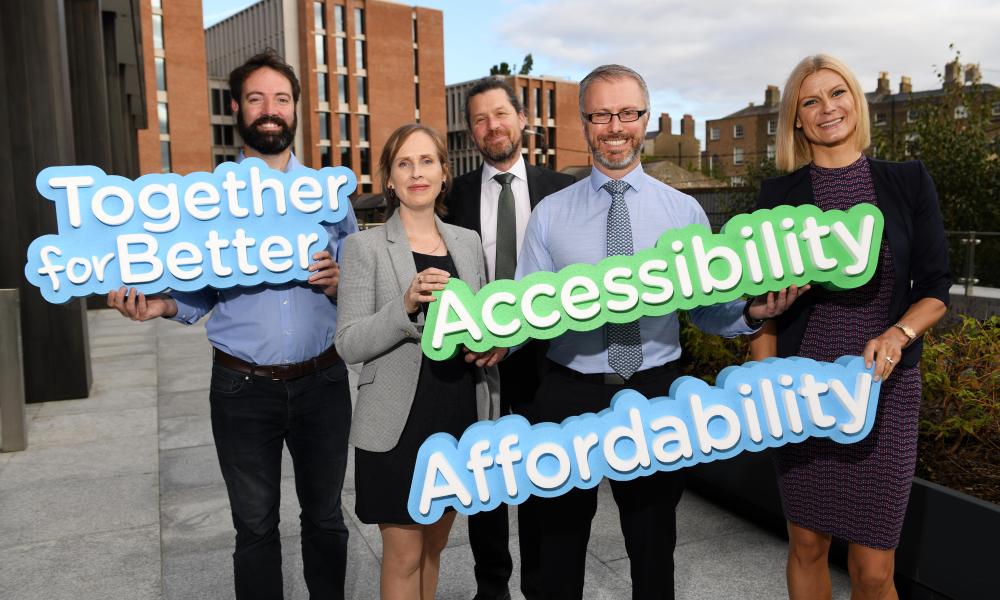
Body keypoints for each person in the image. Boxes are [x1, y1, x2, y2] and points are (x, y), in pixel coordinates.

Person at [515, 64, 806, 600]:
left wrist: (753, 314)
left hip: (652, 391)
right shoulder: (549, 215)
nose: (615, 126)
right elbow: (524, 311)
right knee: (557, 545)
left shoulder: (685, 212)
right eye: (601, 114)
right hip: (568, 392)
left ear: (645, 120)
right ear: (584, 123)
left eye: (627, 113)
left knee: (653, 548)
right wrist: (491, 337)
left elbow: (707, 310)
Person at [107, 50, 358, 600]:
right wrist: (163, 305)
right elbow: (197, 289)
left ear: (296, 111)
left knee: (326, 518)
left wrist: (344, 281)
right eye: (256, 98)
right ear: (238, 110)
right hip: (242, 389)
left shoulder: (329, 196)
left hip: (323, 383)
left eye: (282, 99)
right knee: (254, 528)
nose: (270, 110)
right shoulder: (209, 201)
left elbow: (362, 287)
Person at [749, 54, 950, 600]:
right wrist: (763, 389)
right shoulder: (778, 198)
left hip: (884, 391)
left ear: (855, 102)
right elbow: (763, 312)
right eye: (810, 101)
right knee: (808, 546)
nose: (826, 108)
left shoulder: (907, 182)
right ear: (796, 119)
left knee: (873, 569)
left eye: (837, 93)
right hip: (801, 394)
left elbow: (936, 287)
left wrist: (898, 334)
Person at [335, 123, 502, 600]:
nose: (416, 173)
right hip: (396, 423)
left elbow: (479, 320)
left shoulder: (466, 242)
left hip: (458, 414)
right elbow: (347, 342)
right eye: (403, 164)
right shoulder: (364, 248)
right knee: (404, 554)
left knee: (436, 546)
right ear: (389, 179)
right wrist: (405, 307)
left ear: (444, 173)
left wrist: (490, 341)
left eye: (427, 161)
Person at [445, 77, 575, 600]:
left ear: (523, 119)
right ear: (470, 130)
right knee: (487, 479)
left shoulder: (563, 190)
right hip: (478, 362)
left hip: (549, 358)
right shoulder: (451, 195)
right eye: (479, 119)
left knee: (545, 478)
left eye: (500, 114)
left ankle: (541, 587)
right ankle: (491, 588)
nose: (491, 126)